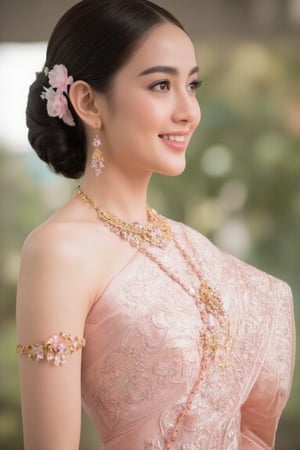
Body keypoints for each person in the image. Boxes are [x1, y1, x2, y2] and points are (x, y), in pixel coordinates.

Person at [16, 0, 295, 449]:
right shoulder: (59, 252)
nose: (189, 111)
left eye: (193, 85)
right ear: (87, 101)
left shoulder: (187, 244)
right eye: (162, 85)